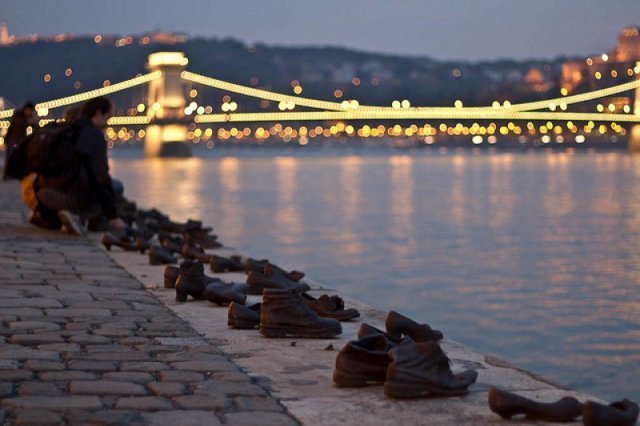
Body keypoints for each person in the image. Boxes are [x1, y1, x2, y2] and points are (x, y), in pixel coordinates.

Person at [35, 97, 127, 234]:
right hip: (70, 198)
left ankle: (57, 217)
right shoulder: (93, 135)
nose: (108, 122)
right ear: (98, 114)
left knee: (80, 179)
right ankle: (81, 218)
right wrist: (113, 216)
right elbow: (100, 178)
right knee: (115, 187)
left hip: (43, 194)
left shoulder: (64, 128)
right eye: (108, 117)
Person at [3, 101, 36, 180]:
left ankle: (11, 174)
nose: (30, 112)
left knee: (12, 157)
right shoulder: (19, 117)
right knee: (10, 157)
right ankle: (8, 175)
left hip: (16, 140)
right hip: (13, 141)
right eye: (30, 110)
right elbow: (21, 124)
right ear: (26, 109)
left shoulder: (22, 117)